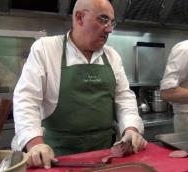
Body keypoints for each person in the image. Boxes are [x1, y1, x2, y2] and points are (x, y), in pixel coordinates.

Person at [12, 0, 147, 169]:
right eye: (103, 19)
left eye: (112, 22)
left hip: (106, 156)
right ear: (79, 17)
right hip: (57, 158)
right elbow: (26, 99)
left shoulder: (112, 56)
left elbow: (124, 98)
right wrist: (35, 144)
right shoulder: (46, 49)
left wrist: (131, 129)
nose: (109, 29)